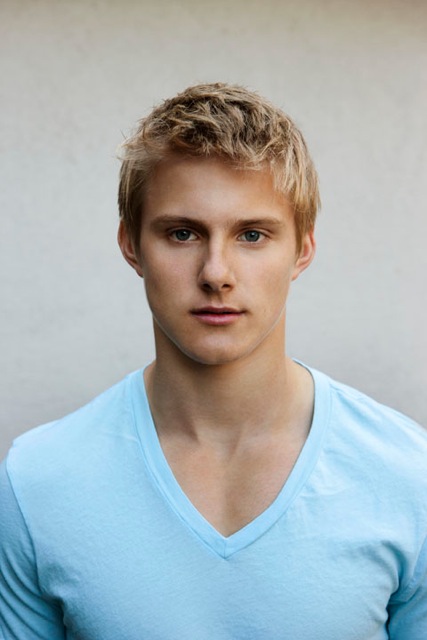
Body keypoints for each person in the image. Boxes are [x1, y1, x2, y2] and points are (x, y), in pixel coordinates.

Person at [0, 83, 426, 640]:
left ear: (302, 250)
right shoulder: (37, 482)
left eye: (252, 235)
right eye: (182, 233)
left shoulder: (407, 476)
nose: (216, 273)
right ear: (131, 245)